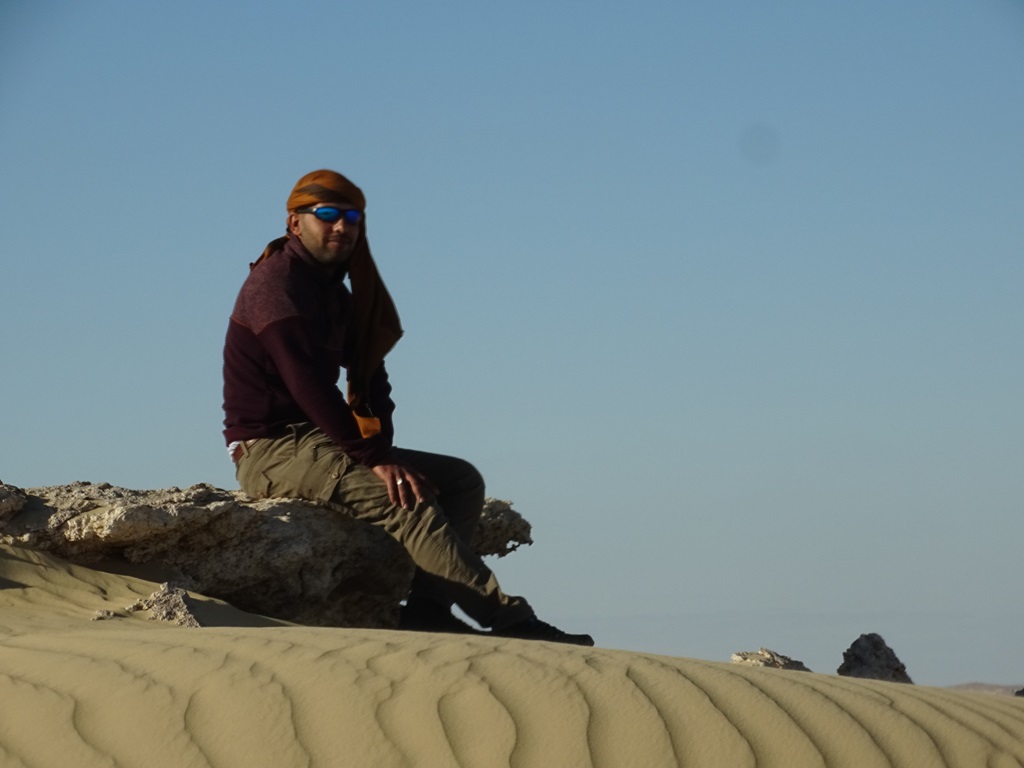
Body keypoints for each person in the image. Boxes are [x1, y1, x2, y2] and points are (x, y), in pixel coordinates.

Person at [222, 169, 593, 645]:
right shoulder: (276, 283)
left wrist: (385, 449)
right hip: (271, 448)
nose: (341, 226)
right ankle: (511, 622)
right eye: (328, 215)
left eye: (352, 216)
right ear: (295, 223)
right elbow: (310, 386)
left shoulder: (336, 293)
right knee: (407, 499)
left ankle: (428, 610)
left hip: (320, 440)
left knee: (460, 480)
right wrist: (374, 460)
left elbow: (372, 377)